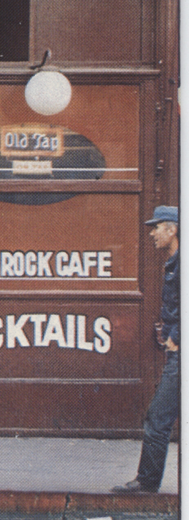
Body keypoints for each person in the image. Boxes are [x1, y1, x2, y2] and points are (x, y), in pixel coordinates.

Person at [112, 205, 179, 493]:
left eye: (157, 227)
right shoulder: (175, 262)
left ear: (172, 229)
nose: (152, 233)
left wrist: (177, 335)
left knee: (158, 417)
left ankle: (147, 482)